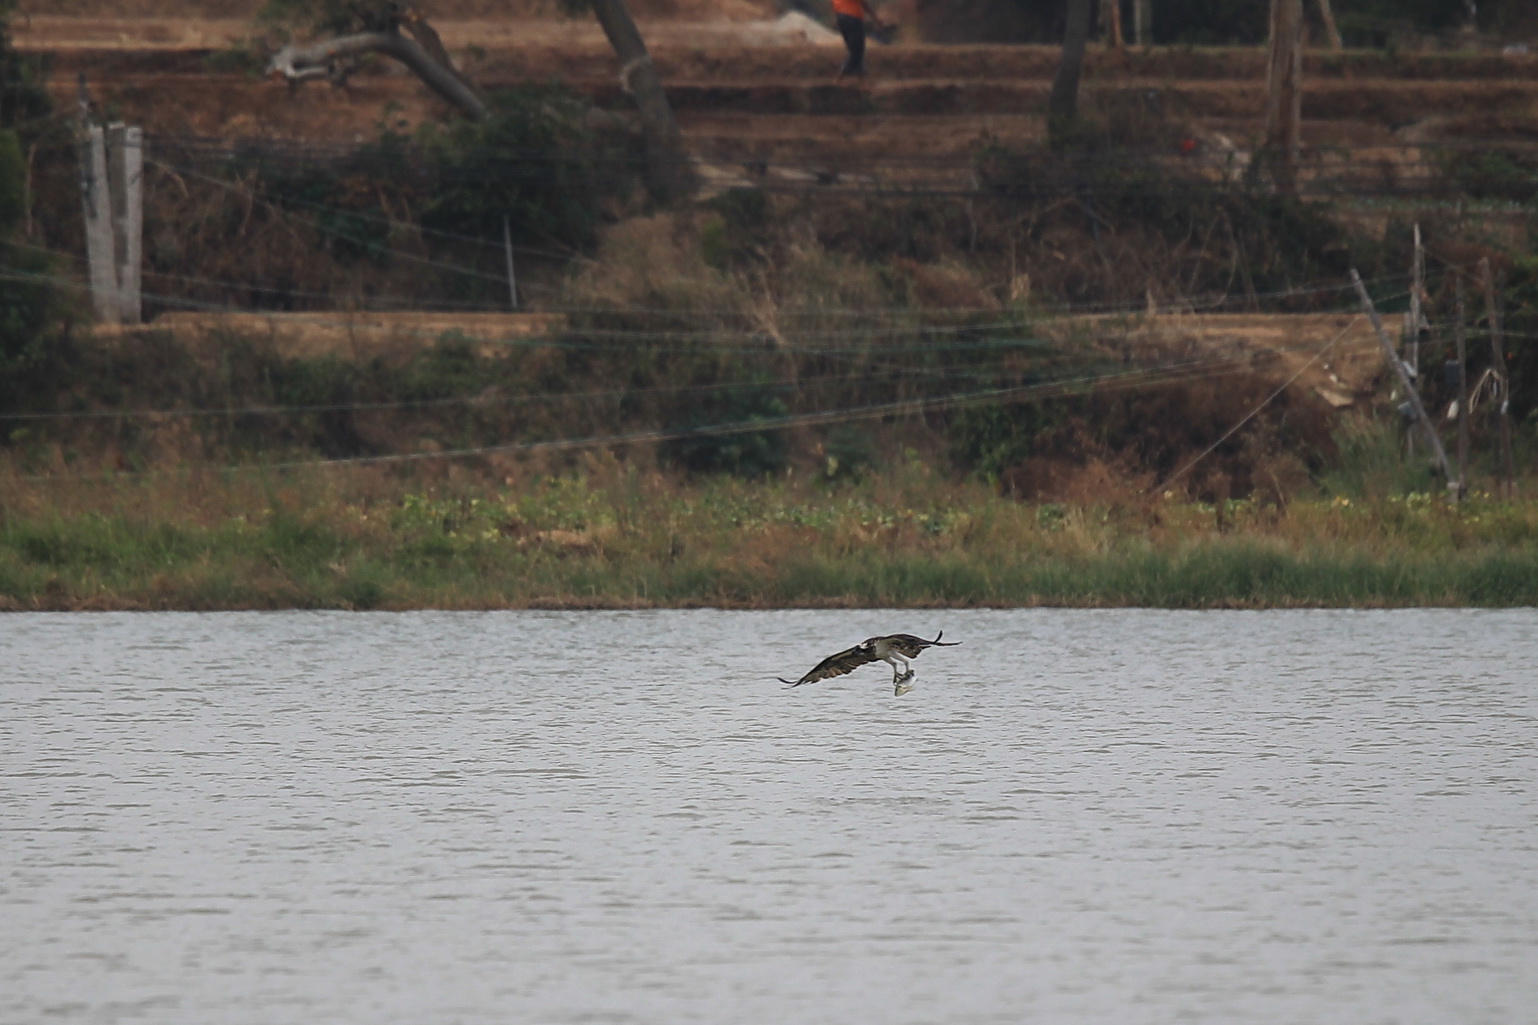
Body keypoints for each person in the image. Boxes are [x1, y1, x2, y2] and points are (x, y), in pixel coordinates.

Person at [832, 0, 882, 79]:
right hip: (852, 17)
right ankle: (840, 78)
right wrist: (875, 17)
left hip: (841, 17)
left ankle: (862, 80)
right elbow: (863, 3)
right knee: (857, 50)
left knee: (855, 49)